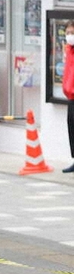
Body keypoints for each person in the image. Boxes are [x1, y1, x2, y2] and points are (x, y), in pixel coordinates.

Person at [62, 20, 74, 174]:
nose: (70, 36)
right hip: (71, 95)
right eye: (68, 33)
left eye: (72, 32)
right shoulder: (69, 50)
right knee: (72, 126)